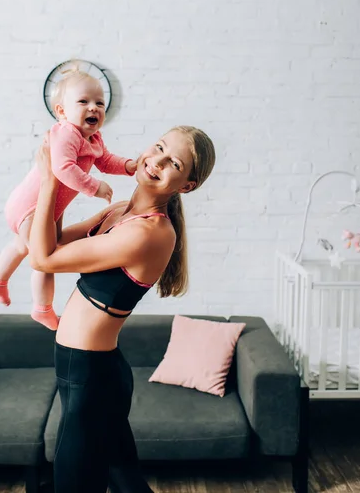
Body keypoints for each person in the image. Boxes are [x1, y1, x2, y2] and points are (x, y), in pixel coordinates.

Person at [29, 125, 216, 493]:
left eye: (173, 162)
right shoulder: (118, 212)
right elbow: (51, 239)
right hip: (93, 369)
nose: (157, 161)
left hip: (90, 373)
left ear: (186, 185)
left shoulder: (148, 233)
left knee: (73, 482)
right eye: (159, 147)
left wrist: (50, 183)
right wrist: (65, 179)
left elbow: (43, 257)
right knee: (122, 476)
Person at [0, 67, 137, 330]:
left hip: (49, 208)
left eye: (99, 103)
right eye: (83, 101)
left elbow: (106, 160)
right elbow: (63, 168)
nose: (93, 108)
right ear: (62, 112)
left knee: (22, 246)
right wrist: (94, 187)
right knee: (45, 257)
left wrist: (128, 166)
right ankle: (42, 309)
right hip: (31, 205)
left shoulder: (93, 138)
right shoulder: (66, 133)